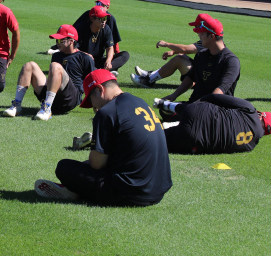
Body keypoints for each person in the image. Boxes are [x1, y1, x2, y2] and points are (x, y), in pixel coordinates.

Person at [34, 69, 172, 206]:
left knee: (64, 167)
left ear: (100, 89)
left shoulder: (107, 112)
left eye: (90, 99)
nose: (93, 106)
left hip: (130, 193)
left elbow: (97, 163)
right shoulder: (140, 102)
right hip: (158, 191)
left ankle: (77, 191)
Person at [2, 24, 94, 121]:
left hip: (70, 99)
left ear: (71, 41)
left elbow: (93, 81)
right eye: (56, 40)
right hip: (53, 97)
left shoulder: (85, 58)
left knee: (55, 66)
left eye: (60, 40)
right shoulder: (56, 55)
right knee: (29, 65)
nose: (57, 43)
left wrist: (94, 103)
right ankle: (17, 106)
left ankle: (47, 108)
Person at [158, 13, 240, 103]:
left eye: (202, 34)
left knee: (187, 114)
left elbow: (222, 88)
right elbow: (190, 78)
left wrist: (200, 107)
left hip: (215, 108)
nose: (199, 36)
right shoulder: (201, 55)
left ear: (212, 36)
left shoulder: (231, 61)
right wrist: (174, 95)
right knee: (165, 109)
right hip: (194, 104)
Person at [155, 94, 271, 154]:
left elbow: (216, 98)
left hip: (195, 113)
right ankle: (165, 123)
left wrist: (196, 103)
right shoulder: (250, 146)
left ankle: (165, 105)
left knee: (202, 109)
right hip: (193, 140)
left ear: (262, 116)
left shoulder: (251, 110)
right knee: (154, 139)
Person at [48, 0, 126, 60]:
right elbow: (73, 30)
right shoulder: (87, 17)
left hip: (99, 55)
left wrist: (113, 57)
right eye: (97, 3)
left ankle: (108, 70)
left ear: (107, 7)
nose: (98, 5)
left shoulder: (110, 20)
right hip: (83, 53)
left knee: (124, 55)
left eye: (101, 4)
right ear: (92, 18)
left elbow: (113, 40)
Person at [131, 35, 204, 88]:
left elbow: (185, 49)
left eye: (198, 27)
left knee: (178, 60)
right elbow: (191, 50)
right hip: (203, 73)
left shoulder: (209, 40)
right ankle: (150, 75)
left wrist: (166, 44)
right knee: (180, 55)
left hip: (204, 80)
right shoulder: (209, 38)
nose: (197, 31)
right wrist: (173, 52)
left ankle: (149, 81)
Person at [74, 6, 128, 72]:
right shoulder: (81, 28)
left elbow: (110, 48)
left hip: (98, 60)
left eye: (105, 18)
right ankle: (101, 72)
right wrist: (84, 54)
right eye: (100, 18)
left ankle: (103, 71)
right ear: (92, 19)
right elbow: (73, 49)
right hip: (84, 60)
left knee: (125, 55)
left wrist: (108, 61)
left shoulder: (106, 29)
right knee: (86, 58)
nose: (104, 21)